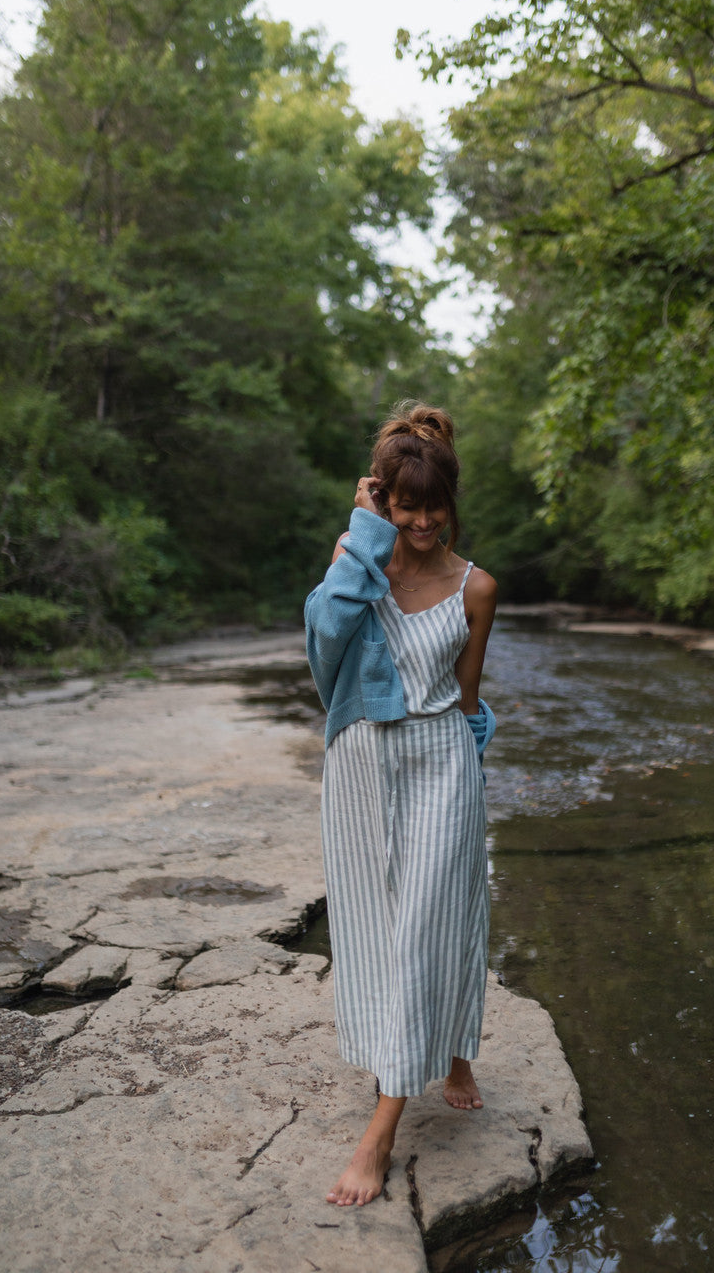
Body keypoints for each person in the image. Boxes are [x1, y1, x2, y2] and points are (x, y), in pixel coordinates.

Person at [304, 400, 498, 1208]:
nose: (420, 521)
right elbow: (320, 647)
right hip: (358, 769)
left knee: (432, 922)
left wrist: (463, 772)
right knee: (377, 932)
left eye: (432, 506)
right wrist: (360, 535)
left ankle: (380, 1131)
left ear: (451, 504)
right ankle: (451, 1048)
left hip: (439, 763)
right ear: (382, 499)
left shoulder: (476, 587)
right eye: (403, 505)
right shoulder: (361, 570)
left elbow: (467, 698)